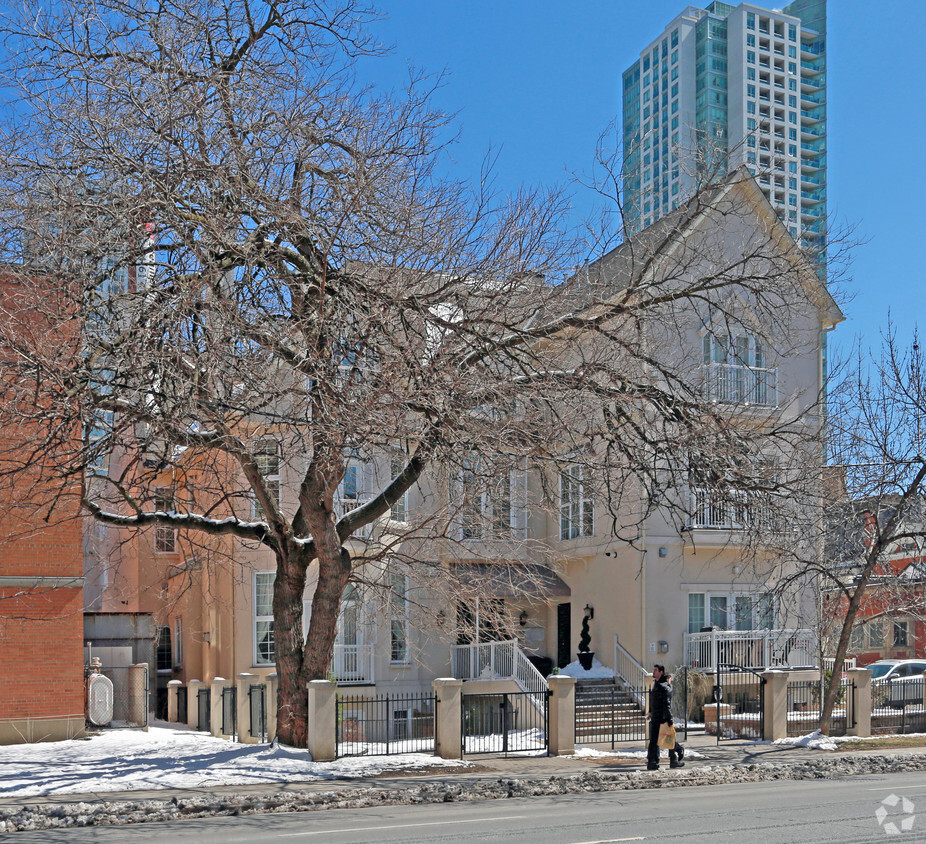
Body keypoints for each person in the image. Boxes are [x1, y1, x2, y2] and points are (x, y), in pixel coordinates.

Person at [647, 664, 685, 770]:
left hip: (663, 718)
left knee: (667, 738)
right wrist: (650, 711)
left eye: (655, 670)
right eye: (653, 670)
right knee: (657, 740)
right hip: (656, 717)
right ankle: (654, 761)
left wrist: (669, 719)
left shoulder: (664, 687)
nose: (653, 672)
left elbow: (667, 705)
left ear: (661, 672)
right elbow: (653, 701)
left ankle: (676, 752)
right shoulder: (657, 684)